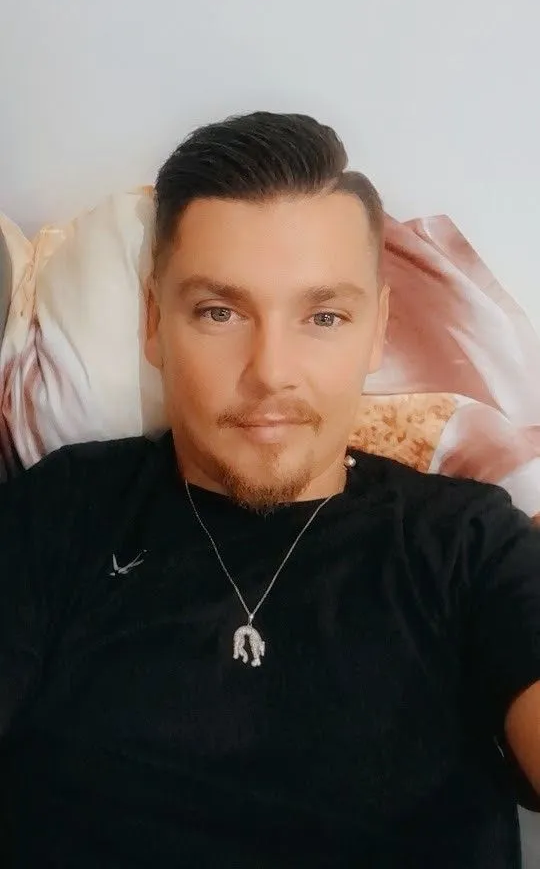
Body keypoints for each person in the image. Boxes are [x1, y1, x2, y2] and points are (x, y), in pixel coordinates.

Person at [0, 112, 539, 869]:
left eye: (324, 316)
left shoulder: (470, 544)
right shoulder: (62, 511)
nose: (271, 372)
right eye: (219, 312)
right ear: (154, 323)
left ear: (377, 330)